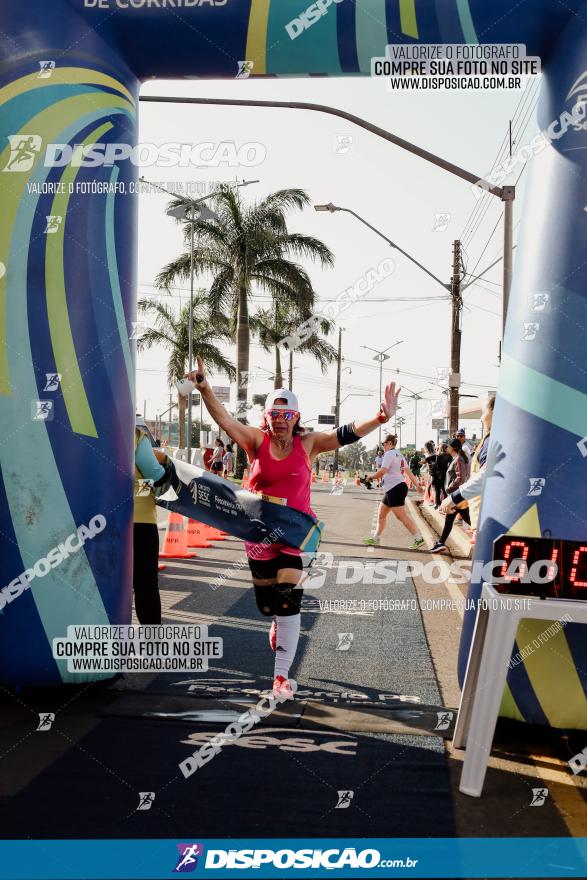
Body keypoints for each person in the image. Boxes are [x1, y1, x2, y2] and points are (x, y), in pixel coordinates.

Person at [186, 355, 401, 699]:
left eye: (288, 415)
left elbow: (345, 433)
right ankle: (276, 622)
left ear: (297, 417)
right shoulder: (255, 441)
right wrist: (205, 389)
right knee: (268, 605)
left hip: (297, 532)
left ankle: (280, 678)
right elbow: (226, 421)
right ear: (266, 418)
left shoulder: (309, 444)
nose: (282, 421)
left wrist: (380, 416)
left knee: (288, 598)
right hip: (258, 532)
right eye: (276, 414)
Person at [133, 427, 176, 624]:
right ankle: (151, 644)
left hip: (97, 521)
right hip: (139, 521)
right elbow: (155, 474)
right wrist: (167, 463)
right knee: (145, 584)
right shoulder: (133, 434)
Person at [441, 396, 496, 531]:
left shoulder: (492, 441)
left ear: (494, 412)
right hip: (484, 515)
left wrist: (456, 496)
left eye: (484, 412)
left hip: (487, 519)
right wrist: (466, 497)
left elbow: (487, 474)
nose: (481, 418)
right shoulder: (492, 438)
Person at [363, 434, 424, 549]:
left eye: (383, 443)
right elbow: (409, 472)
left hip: (395, 488)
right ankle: (376, 538)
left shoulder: (389, 454)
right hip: (395, 488)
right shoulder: (399, 454)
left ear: (390, 443)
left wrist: (370, 477)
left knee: (401, 516)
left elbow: (383, 470)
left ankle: (418, 538)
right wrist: (417, 485)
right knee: (381, 515)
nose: (382, 445)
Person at [430, 438, 471, 553]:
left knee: (469, 520)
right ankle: (440, 543)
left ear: (452, 448)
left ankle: (441, 543)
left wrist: (449, 487)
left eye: (448, 446)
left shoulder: (458, 459)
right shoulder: (458, 458)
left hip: (457, 496)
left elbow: (461, 478)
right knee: (450, 521)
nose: (446, 448)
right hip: (457, 495)